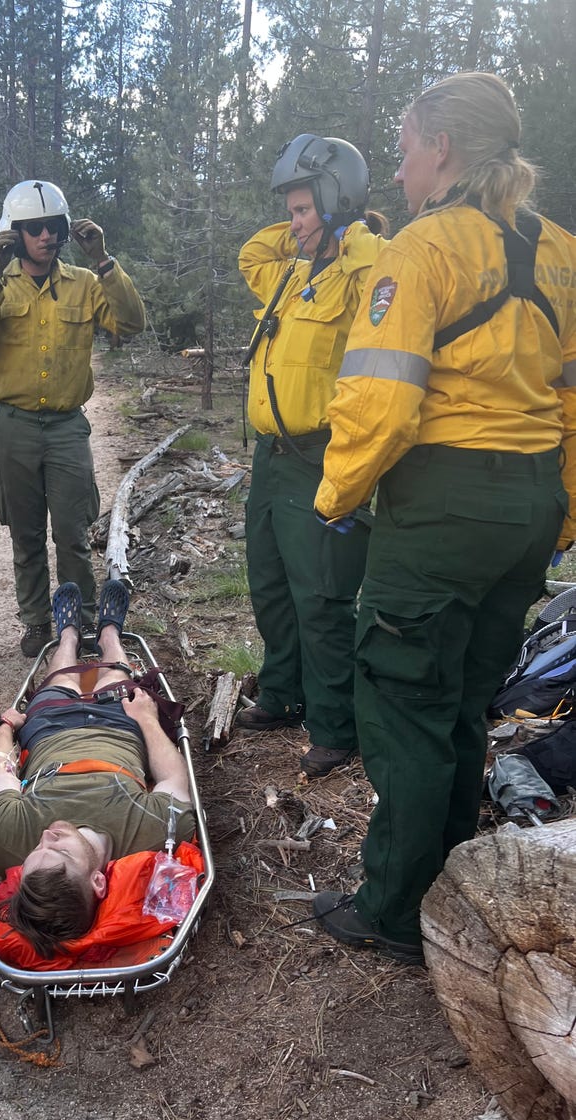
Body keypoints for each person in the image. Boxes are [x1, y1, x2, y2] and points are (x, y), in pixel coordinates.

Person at [312, 72, 576, 963]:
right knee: (467, 696)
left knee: (405, 704)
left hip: (442, 508)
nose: (395, 170)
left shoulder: (420, 252)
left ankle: (393, 910)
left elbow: (382, 402)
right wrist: (565, 509)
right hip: (530, 502)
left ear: (444, 150)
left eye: (404, 147)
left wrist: (338, 495)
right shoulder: (564, 255)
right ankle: (454, 874)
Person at [237, 135, 389, 778]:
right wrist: (309, 223)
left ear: (335, 203)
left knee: (322, 595)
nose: (292, 225)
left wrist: (346, 229)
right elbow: (252, 252)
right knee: (271, 584)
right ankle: (281, 693)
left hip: (323, 456)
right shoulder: (293, 273)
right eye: (290, 211)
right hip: (271, 460)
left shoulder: (364, 276)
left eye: (303, 210)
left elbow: (386, 268)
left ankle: (333, 723)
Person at [0, 180, 146, 656]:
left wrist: (104, 260)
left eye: (53, 227)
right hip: (14, 425)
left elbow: (132, 323)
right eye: (34, 229)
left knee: (73, 532)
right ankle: (36, 622)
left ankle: (81, 621)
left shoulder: (85, 282)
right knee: (26, 531)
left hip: (66, 426)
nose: (46, 236)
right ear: (14, 234)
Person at [0, 577, 197, 958]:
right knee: (113, 677)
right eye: (60, 852)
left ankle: (69, 638)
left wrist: (6, 727)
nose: (47, 838)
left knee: (62, 678)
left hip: (48, 732)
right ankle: (110, 634)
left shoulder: (3, 839)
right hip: (119, 728)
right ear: (98, 881)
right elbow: (174, 776)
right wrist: (146, 719)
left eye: (34, 856)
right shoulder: (155, 832)